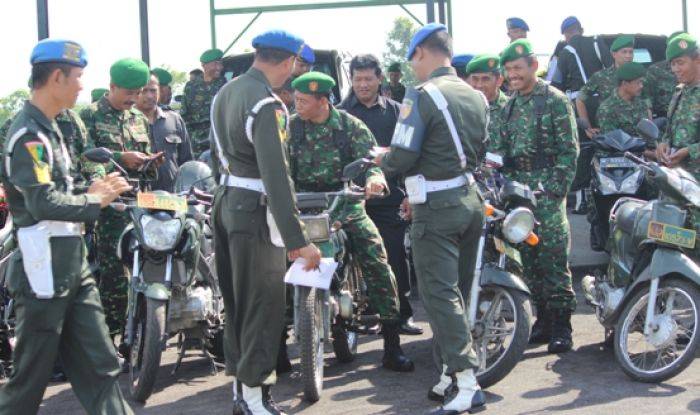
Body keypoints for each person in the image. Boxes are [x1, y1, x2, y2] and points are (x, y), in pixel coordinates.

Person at [0, 38, 133, 415]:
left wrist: (91, 189)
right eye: (77, 77)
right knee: (29, 380)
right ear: (56, 77)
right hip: (45, 268)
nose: (80, 86)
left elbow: (61, 188)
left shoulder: (53, 128)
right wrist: (94, 200)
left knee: (102, 365)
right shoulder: (29, 134)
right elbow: (41, 202)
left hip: (72, 262)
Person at [374, 23, 488, 414]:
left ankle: (468, 382)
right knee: (456, 294)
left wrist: (381, 160)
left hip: (436, 210)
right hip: (470, 200)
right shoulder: (476, 96)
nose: (412, 69)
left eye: (412, 60)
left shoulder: (421, 96)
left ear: (421, 53)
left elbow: (402, 157)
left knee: (439, 297)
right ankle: (447, 377)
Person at [209, 30, 321, 415]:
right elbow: (277, 177)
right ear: (290, 61)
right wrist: (298, 238)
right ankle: (255, 397)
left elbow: (215, 154)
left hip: (227, 201)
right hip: (255, 209)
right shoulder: (266, 104)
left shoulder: (226, 92)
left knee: (237, 302)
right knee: (261, 303)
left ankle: (243, 390)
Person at [289, 70, 416, 374]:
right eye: (296, 99)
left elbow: (373, 164)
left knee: (377, 260)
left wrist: (374, 182)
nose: (297, 105)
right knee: (272, 265)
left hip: (344, 206)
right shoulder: (290, 128)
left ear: (323, 101)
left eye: (303, 100)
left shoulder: (350, 127)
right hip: (301, 211)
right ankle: (279, 344)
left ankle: (391, 344)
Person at [493, 39, 579, 354]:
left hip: (547, 190)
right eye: (508, 70)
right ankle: (542, 322)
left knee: (553, 258)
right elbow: (498, 151)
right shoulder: (508, 106)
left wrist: (555, 191)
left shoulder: (555, 100)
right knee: (527, 261)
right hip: (518, 192)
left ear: (532, 65)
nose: (513, 75)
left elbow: (570, 152)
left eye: (518, 68)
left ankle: (562, 327)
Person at [338, 54, 423, 335]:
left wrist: (410, 193)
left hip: (388, 198)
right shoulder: (340, 114)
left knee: (394, 256)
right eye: (357, 79)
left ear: (380, 79)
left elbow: (411, 157)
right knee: (352, 259)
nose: (363, 84)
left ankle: (400, 314)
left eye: (368, 78)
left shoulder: (398, 112)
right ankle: (366, 313)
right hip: (351, 200)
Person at [80, 58, 160, 353]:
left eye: (138, 92)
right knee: (115, 272)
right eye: (128, 92)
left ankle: (141, 331)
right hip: (109, 207)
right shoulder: (87, 116)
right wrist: (119, 157)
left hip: (141, 202)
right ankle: (112, 339)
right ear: (111, 86)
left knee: (148, 264)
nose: (133, 98)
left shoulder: (137, 118)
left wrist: (149, 163)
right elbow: (85, 157)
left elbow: (145, 159)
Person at [136, 72, 193, 192]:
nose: (150, 96)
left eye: (153, 90)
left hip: (172, 195)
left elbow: (186, 160)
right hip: (140, 197)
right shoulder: (128, 121)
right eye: (144, 91)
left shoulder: (174, 119)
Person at [657, 33, 700, 180]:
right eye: (672, 64)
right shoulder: (679, 91)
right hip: (678, 178)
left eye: (680, 63)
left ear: (697, 60)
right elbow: (670, 128)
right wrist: (664, 143)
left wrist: (689, 150)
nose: (675, 69)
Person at [576, 34, 636, 138]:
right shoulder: (601, 76)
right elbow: (580, 99)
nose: (628, 56)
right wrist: (588, 129)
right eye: (624, 52)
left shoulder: (639, 77)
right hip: (609, 134)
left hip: (636, 134)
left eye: (631, 52)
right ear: (614, 54)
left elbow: (647, 104)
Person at [181, 48, 226, 157]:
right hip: (195, 144)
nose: (219, 67)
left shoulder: (224, 85)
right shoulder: (191, 86)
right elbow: (184, 115)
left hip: (217, 141)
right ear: (204, 65)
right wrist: (190, 139)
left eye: (220, 64)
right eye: (215, 64)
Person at [553, 16, 612, 99]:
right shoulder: (596, 42)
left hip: (578, 101)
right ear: (582, 30)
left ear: (566, 34)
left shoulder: (565, 52)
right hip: (600, 99)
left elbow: (557, 83)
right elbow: (611, 67)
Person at [597, 62, 653, 139]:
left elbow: (648, 134)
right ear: (625, 84)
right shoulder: (607, 109)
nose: (641, 86)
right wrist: (645, 151)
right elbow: (614, 142)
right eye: (638, 83)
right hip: (622, 150)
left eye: (642, 82)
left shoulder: (641, 103)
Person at [467, 54, 507, 145]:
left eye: (485, 79)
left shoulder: (511, 109)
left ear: (499, 81)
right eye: (475, 79)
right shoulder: (465, 108)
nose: (479, 85)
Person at [644, 31, 686, 117]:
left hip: (690, 116)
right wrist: (649, 111)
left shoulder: (695, 68)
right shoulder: (655, 70)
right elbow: (647, 95)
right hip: (664, 118)